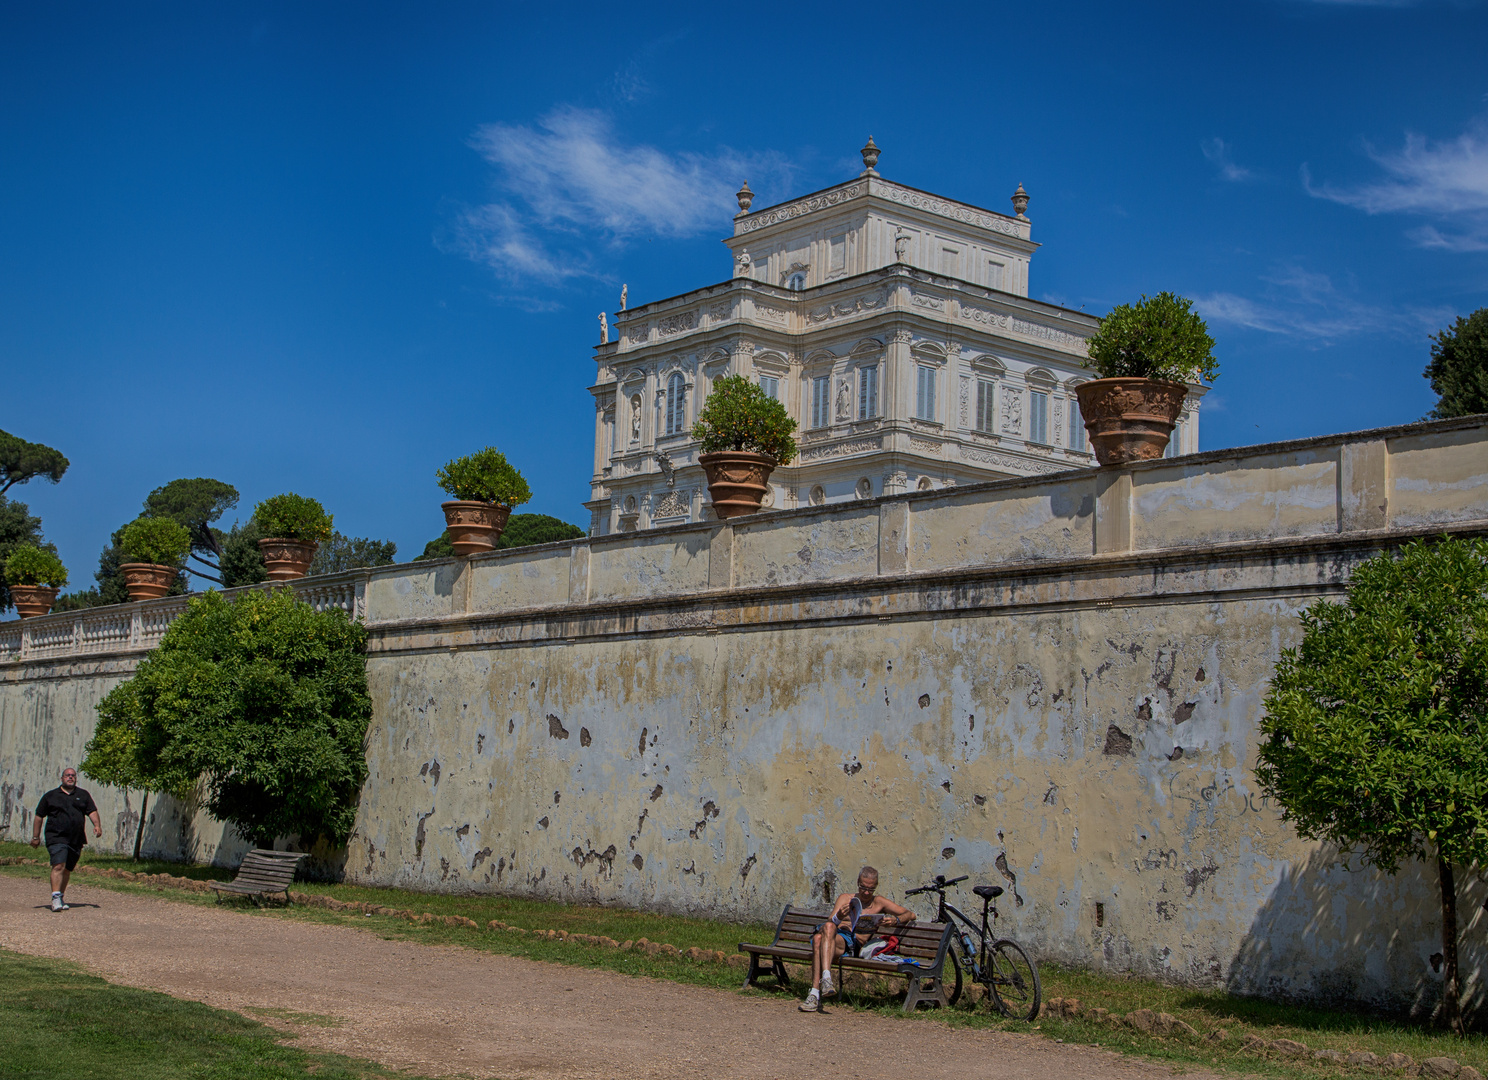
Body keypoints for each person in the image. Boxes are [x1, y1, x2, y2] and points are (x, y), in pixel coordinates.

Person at [800, 866, 914, 1012]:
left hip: (853, 945)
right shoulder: (845, 898)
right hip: (834, 937)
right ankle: (825, 981)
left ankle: (815, 994)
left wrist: (895, 921)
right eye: (863, 887)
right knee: (824, 932)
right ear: (857, 883)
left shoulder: (879, 902)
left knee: (818, 940)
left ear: (876, 887)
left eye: (871, 889)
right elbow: (830, 921)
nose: (866, 892)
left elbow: (910, 914)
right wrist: (839, 917)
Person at [30, 767, 101, 912]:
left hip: (76, 839)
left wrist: (97, 825)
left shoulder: (83, 795)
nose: (70, 777)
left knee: (67, 869)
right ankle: (55, 898)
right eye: (67, 775)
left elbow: (92, 811)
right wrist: (36, 837)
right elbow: (39, 816)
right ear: (61, 778)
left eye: (73, 775)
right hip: (56, 837)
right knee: (58, 865)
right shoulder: (50, 796)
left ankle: (60, 896)